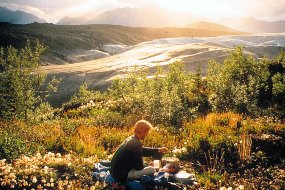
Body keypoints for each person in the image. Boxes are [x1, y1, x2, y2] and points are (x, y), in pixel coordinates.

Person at [110, 120, 168, 184]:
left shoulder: (131, 139)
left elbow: (142, 150)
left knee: (144, 162)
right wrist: (146, 166)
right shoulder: (136, 144)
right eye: (147, 132)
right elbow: (138, 167)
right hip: (122, 175)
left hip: (115, 171)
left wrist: (158, 150)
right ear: (143, 131)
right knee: (152, 170)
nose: (147, 134)